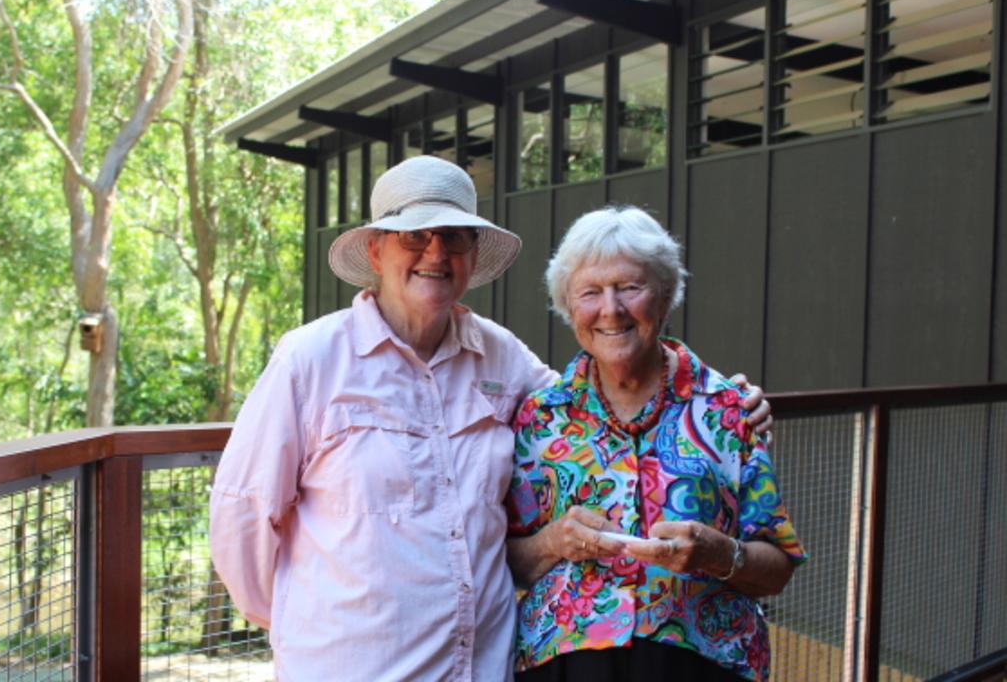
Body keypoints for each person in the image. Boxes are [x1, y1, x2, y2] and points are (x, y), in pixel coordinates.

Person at [209, 157, 770, 681]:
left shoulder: (501, 357)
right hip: (354, 664)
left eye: (453, 236)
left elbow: (603, 395)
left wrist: (722, 396)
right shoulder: (311, 360)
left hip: (480, 665)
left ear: (473, 255)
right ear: (377, 251)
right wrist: (309, 620)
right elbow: (243, 519)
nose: (435, 251)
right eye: (414, 235)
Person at [504, 206, 805, 682]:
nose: (611, 309)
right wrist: (554, 540)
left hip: (702, 663)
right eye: (590, 292)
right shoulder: (541, 416)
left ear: (664, 295)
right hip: (567, 665)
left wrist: (720, 554)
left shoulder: (727, 411)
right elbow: (508, 559)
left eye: (629, 287)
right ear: (569, 307)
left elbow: (779, 565)